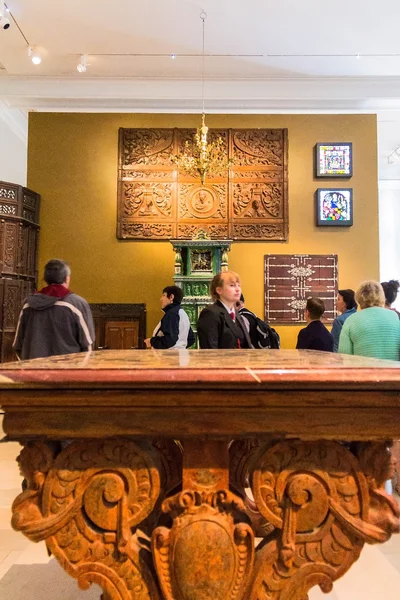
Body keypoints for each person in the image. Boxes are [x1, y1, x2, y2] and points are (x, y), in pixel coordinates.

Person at [13, 258, 95, 360]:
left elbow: (18, 345)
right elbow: (88, 345)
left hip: (34, 370)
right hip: (67, 371)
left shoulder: (28, 304)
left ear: (46, 279)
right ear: (67, 278)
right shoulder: (77, 304)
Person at [338, 280, 400, 360]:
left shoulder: (351, 320)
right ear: (382, 296)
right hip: (393, 371)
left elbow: (344, 357)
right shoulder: (394, 317)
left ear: (358, 297)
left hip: (363, 371)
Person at [197, 271, 252, 349]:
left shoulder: (237, 315)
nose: (237, 289)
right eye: (232, 285)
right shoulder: (210, 314)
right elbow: (210, 350)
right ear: (219, 290)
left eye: (239, 285)